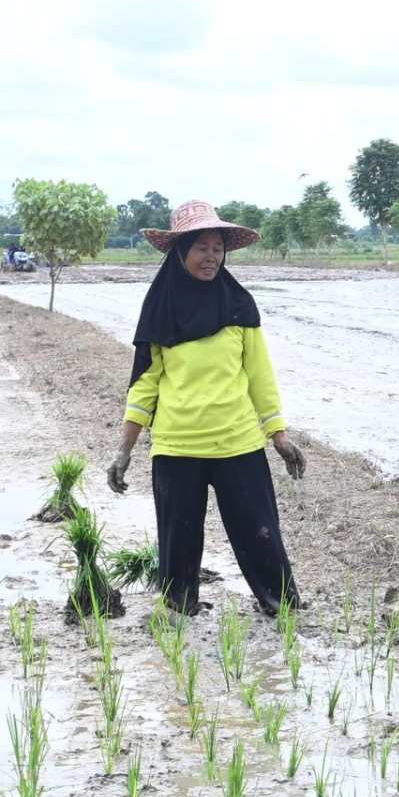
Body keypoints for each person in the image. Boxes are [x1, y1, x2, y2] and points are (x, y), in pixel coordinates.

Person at [105, 201, 307, 619]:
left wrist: (279, 434)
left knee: (260, 535)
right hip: (177, 447)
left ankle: (280, 608)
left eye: (218, 248)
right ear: (180, 252)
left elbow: (260, 377)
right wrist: (124, 449)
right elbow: (145, 385)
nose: (211, 256)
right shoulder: (160, 311)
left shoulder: (239, 306)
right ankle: (181, 610)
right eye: (201, 247)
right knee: (178, 546)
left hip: (238, 443)